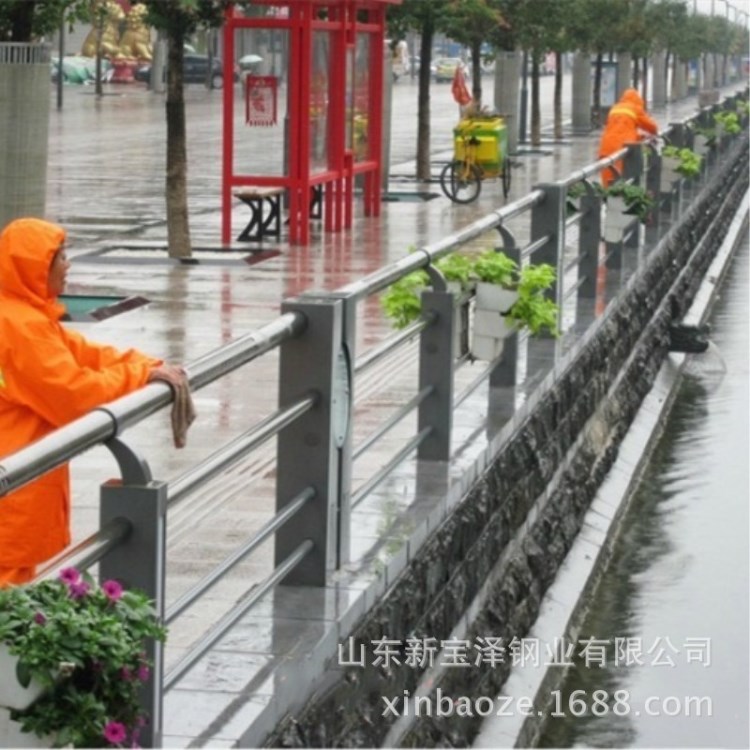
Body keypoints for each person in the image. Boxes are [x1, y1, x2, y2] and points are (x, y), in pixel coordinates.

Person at [0, 218, 188, 586]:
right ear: (34, 266)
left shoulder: (22, 315)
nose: (67, 265)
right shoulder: (20, 326)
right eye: (60, 257)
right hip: (13, 485)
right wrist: (140, 375)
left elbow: (85, 354)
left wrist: (147, 366)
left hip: (16, 478)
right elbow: (73, 396)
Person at [597, 87, 658, 187]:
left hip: (606, 146)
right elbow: (652, 127)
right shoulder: (635, 108)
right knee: (623, 181)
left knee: (608, 179)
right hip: (622, 147)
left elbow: (620, 129)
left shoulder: (615, 108)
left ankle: (606, 199)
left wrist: (639, 136)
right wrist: (653, 134)